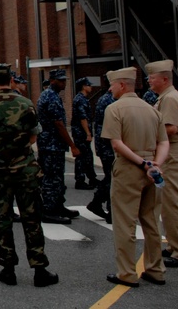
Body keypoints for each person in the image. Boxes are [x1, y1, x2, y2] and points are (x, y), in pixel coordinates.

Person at [0, 63, 58, 288]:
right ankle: (40, 269)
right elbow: (34, 135)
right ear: (11, 80)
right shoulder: (25, 103)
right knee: (32, 219)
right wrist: (19, 151)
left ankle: (8, 268)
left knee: (2, 220)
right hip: (25, 169)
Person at [102, 67, 169, 288]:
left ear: (122, 85)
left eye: (112, 84)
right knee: (151, 221)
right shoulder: (152, 110)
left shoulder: (114, 109)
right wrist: (155, 163)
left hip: (129, 168)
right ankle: (156, 269)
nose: (110, 88)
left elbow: (116, 143)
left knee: (125, 222)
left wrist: (141, 162)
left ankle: (127, 273)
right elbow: (164, 142)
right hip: (153, 169)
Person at [144, 60, 178, 269]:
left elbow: (170, 128)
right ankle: (175, 245)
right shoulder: (165, 97)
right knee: (166, 203)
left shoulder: (170, 99)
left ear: (164, 79)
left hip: (171, 153)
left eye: (152, 78)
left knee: (172, 203)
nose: (149, 81)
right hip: (168, 153)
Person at [37, 69, 80, 223]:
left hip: (53, 144)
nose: (64, 83)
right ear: (53, 81)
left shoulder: (52, 95)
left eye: (65, 80)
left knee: (58, 178)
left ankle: (58, 206)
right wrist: (72, 145)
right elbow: (58, 124)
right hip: (51, 144)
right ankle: (49, 210)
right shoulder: (50, 96)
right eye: (61, 80)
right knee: (51, 178)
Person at [86, 83, 116, 223]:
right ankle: (111, 211)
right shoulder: (109, 100)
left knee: (110, 177)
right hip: (108, 145)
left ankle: (97, 202)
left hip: (106, 144)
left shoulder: (106, 99)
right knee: (113, 178)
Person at [71, 77, 99, 190]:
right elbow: (82, 118)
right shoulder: (80, 99)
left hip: (81, 132)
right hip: (80, 133)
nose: (90, 87)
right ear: (83, 86)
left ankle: (92, 178)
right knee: (82, 157)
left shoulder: (82, 99)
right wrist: (88, 133)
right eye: (88, 85)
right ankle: (80, 180)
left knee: (87, 156)